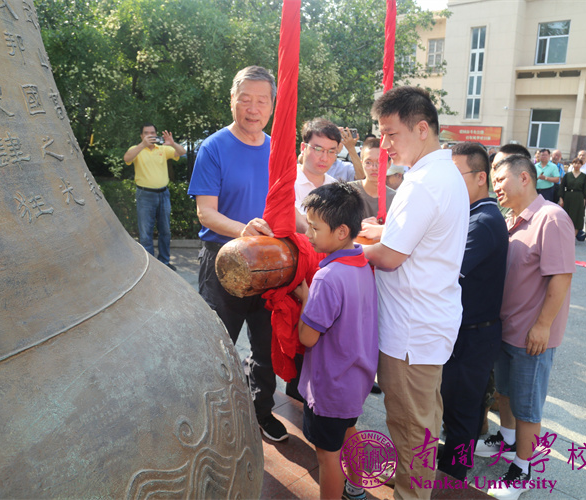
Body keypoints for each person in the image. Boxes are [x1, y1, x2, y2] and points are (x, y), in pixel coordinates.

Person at [360, 86, 469, 500]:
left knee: (410, 429)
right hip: (427, 323)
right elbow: (420, 237)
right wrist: (384, 231)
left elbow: (389, 258)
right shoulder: (443, 174)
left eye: (391, 134)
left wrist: (350, 249)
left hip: (410, 331)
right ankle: (414, 482)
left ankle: (412, 493)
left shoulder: (422, 183)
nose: (384, 145)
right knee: (422, 422)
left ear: (421, 129)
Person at [187, 66, 289, 442]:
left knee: (266, 343)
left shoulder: (277, 148)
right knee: (218, 342)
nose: (253, 107)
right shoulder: (213, 148)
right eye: (245, 99)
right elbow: (206, 213)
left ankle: (262, 411)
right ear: (232, 99)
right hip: (222, 258)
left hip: (267, 262)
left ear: (273, 106)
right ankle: (211, 413)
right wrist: (243, 230)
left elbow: (285, 203)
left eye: (262, 100)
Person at [478, 155, 575, 500]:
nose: (496, 186)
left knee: (527, 405)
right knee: (504, 392)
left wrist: (543, 326)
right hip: (505, 328)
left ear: (524, 178)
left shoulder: (551, 218)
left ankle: (523, 468)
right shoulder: (513, 220)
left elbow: (561, 276)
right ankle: (506, 439)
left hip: (530, 335)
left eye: (501, 179)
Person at [291, 182, 378, 500]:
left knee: (328, 456)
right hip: (355, 378)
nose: (309, 233)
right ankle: (356, 490)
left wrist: (305, 299)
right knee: (349, 432)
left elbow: (308, 337)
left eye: (315, 227)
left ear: (341, 231)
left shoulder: (327, 278)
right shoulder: (361, 262)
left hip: (330, 386)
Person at [438, 143, 508, 481]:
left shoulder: (484, 220)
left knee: (463, 415)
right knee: (455, 409)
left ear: (481, 177)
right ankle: (450, 460)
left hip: (474, 335)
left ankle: (454, 477)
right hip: (465, 331)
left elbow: (447, 269)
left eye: (456, 174)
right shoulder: (471, 213)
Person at [124, 123, 186, 269]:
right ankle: (150, 265)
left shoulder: (163, 149)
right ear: (141, 135)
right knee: (145, 233)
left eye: (152, 133)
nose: (150, 135)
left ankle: (164, 262)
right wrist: (142, 145)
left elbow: (182, 152)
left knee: (165, 231)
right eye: (146, 133)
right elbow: (127, 158)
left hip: (163, 194)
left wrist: (172, 143)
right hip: (145, 195)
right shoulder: (136, 149)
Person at [294, 118, 341, 231]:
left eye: (331, 151)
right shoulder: (287, 181)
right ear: (303, 148)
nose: (325, 158)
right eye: (318, 149)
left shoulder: (336, 188)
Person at [348, 137, 397, 219]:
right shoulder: (348, 192)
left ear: (389, 164)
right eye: (368, 162)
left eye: (379, 162)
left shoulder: (395, 198)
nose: (374, 168)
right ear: (362, 163)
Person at [559, 158, 586, 238]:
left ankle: (572, 238)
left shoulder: (584, 176)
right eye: (575, 163)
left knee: (577, 217)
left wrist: (584, 201)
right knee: (566, 216)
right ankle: (564, 236)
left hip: (579, 197)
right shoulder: (567, 175)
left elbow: (585, 190)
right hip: (568, 196)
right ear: (572, 164)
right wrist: (561, 198)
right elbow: (562, 187)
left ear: (581, 165)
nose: (576, 165)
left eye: (579, 163)